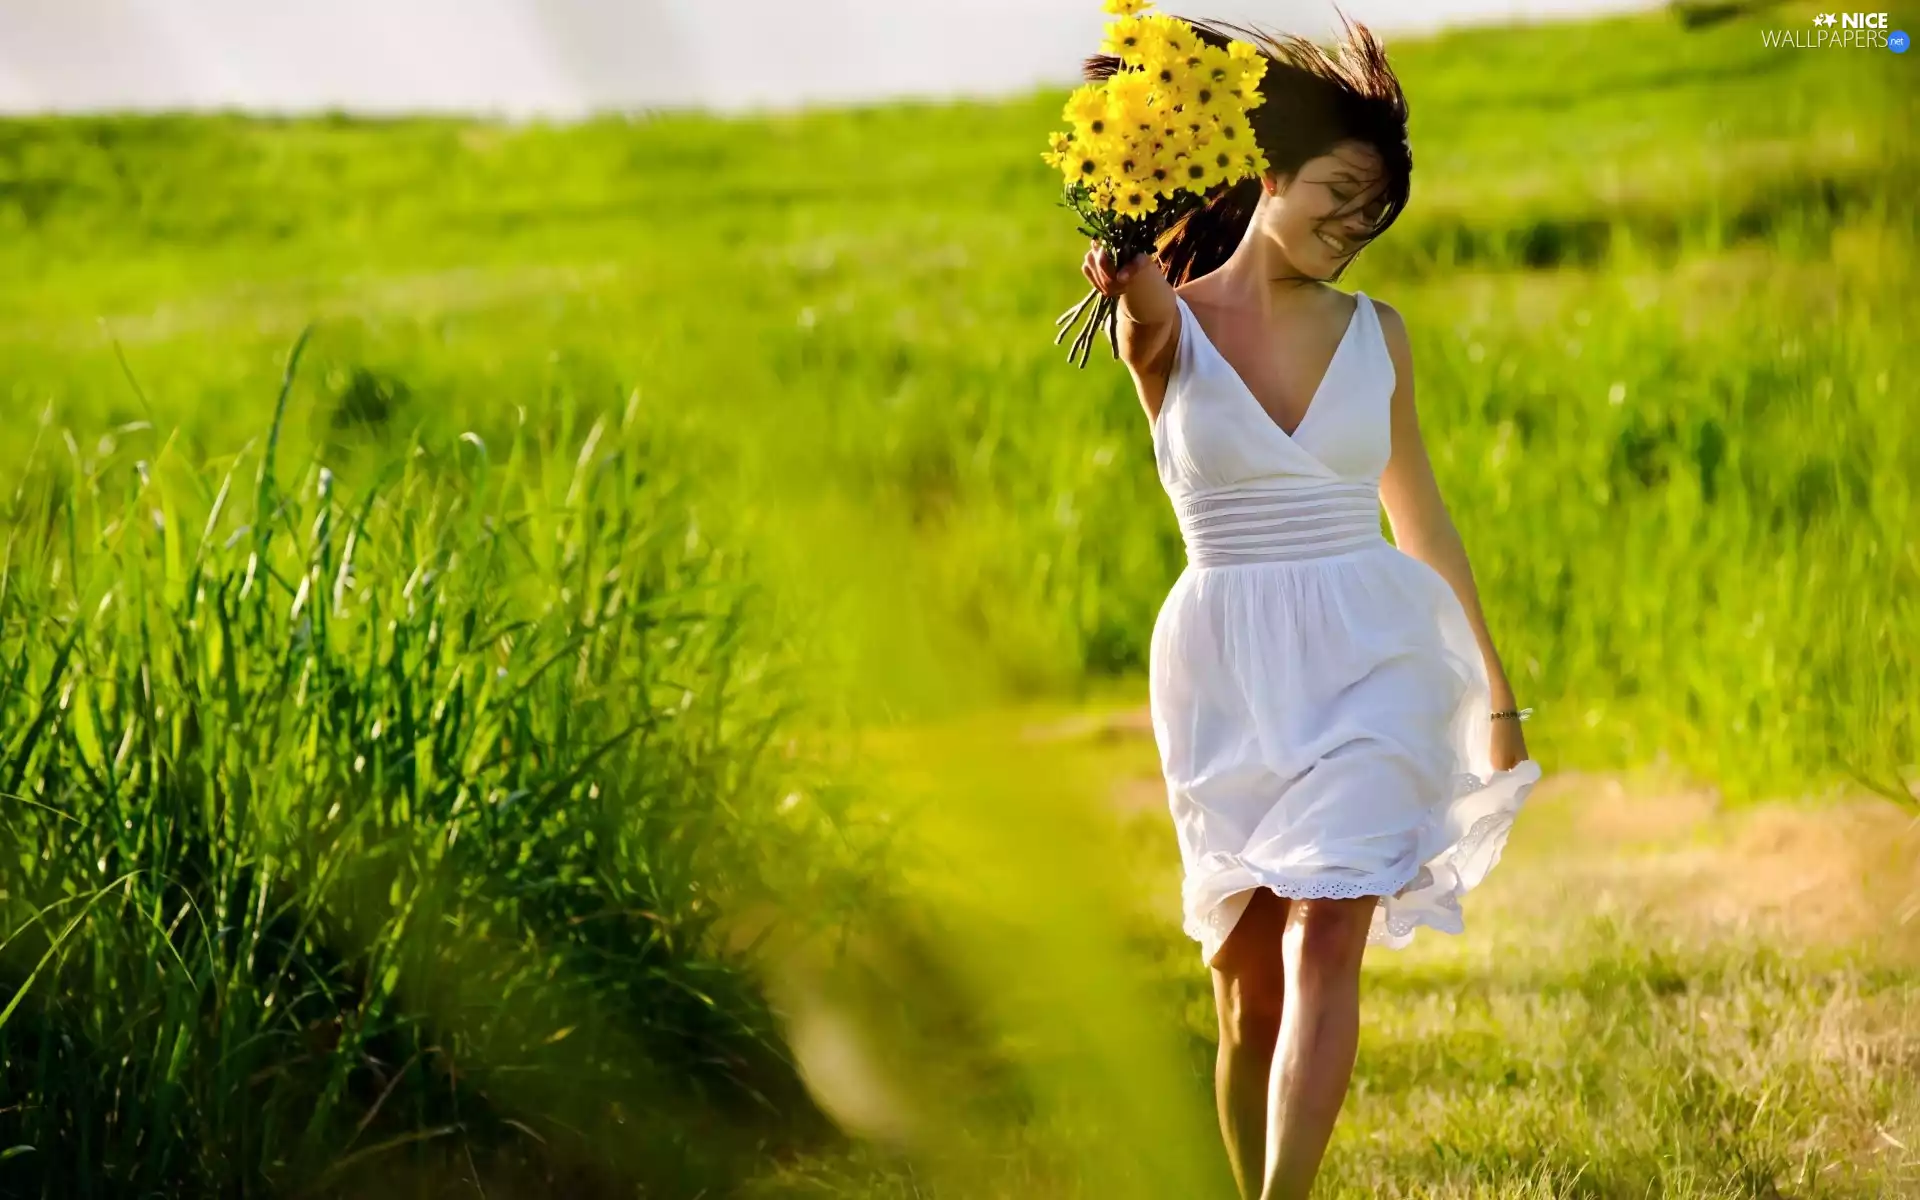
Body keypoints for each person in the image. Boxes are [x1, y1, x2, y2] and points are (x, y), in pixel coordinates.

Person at [1080, 12, 1543, 1200]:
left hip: (1370, 654)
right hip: (1227, 668)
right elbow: (1134, 308)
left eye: (1375, 214)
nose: (1355, 229)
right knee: (1247, 998)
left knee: (1331, 917)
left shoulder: (1376, 334)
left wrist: (1498, 697)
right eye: (1340, 195)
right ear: (1268, 173)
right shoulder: (1166, 330)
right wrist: (1125, 264)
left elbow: (1423, 523)